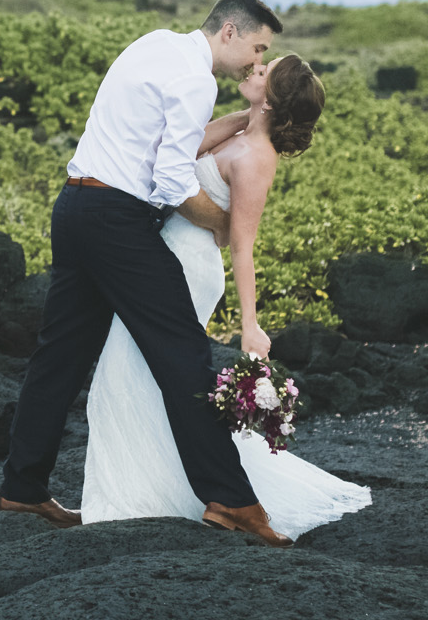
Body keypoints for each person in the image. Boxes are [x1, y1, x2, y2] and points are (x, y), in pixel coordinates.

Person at [0, 0, 293, 546]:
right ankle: (229, 498)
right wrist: (222, 227)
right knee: (182, 352)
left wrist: (241, 117)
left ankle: (23, 485)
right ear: (228, 32)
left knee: (59, 352)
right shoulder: (197, 80)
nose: (256, 62)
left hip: (75, 205)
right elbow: (173, 182)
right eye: (256, 48)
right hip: (116, 220)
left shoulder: (154, 44)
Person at [79, 53, 372, 537]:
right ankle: (150, 493)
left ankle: (170, 496)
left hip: (190, 265)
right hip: (164, 254)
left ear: (274, 97)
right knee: (127, 374)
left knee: (134, 373)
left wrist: (250, 324)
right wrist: (249, 114)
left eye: (265, 72)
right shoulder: (240, 135)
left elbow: (242, 244)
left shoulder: (257, 158)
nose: (253, 70)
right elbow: (178, 152)